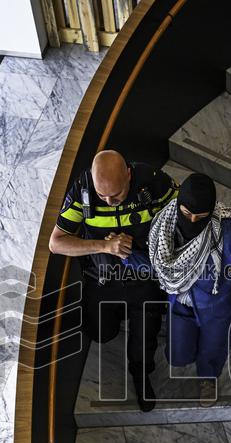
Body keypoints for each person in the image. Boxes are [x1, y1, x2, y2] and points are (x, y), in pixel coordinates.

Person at [48, 150, 176, 411]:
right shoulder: (83, 191)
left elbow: (181, 216)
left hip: (144, 278)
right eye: (101, 194)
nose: (108, 201)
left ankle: (140, 374)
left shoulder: (154, 183)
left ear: (128, 175)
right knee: (101, 333)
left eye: (115, 195)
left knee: (144, 340)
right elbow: (56, 243)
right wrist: (104, 247)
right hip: (103, 278)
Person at [148, 173, 231, 407]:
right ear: (178, 205)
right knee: (179, 354)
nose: (191, 222)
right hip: (180, 303)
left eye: (199, 217)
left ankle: (208, 379)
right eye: (186, 214)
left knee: (212, 351)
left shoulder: (230, 233)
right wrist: (122, 253)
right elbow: (154, 262)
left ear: (210, 212)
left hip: (218, 309)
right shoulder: (164, 225)